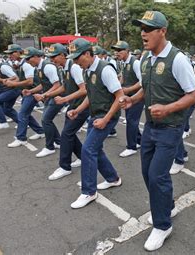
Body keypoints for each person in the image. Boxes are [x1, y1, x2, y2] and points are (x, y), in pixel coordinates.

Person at [119, 10, 195, 251]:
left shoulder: (177, 59)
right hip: (151, 126)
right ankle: (168, 204)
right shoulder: (145, 59)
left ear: (162, 31)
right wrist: (132, 100)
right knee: (147, 173)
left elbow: (194, 95)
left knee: (157, 175)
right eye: (141, 28)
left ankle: (163, 225)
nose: (143, 33)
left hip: (170, 127)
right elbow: (145, 88)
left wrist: (167, 109)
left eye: (149, 28)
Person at [67, 38, 124, 209]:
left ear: (87, 54)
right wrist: (78, 111)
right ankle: (113, 178)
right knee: (95, 149)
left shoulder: (104, 70)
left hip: (107, 116)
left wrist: (106, 119)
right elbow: (90, 96)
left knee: (88, 149)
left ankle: (89, 191)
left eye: (78, 58)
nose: (76, 63)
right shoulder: (87, 70)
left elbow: (120, 97)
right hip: (96, 115)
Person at [45, 43, 87, 180]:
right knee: (69, 133)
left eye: (54, 57)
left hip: (82, 106)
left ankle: (64, 166)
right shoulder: (63, 68)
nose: (52, 60)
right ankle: (82, 157)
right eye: (50, 57)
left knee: (66, 134)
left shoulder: (74, 67)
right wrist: (47, 95)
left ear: (63, 55)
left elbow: (84, 89)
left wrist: (65, 100)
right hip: (73, 105)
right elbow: (64, 87)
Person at [22, 47, 64, 158]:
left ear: (36, 57)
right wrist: (30, 91)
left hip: (56, 96)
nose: (27, 61)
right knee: (47, 120)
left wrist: (44, 95)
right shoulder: (39, 68)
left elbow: (57, 85)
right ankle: (58, 142)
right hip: (49, 96)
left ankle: (49, 147)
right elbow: (44, 84)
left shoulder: (48, 67)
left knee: (46, 120)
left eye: (28, 58)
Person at [3, 44, 46, 148]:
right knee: (26, 114)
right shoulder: (22, 63)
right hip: (29, 92)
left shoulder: (26, 64)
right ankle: (40, 131)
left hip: (32, 92)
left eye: (11, 53)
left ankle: (21, 138)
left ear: (18, 52)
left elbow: (30, 81)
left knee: (22, 114)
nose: (10, 56)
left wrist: (14, 84)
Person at [111, 40, 144, 158]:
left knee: (131, 120)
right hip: (127, 96)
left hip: (137, 96)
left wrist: (128, 90)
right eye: (116, 50)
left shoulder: (135, 63)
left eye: (119, 50)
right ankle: (140, 141)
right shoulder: (123, 63)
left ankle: (131, 147)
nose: (117, 53)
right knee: (131, 120)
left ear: (127, 51)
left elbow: (142, 82)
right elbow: (123, 78)